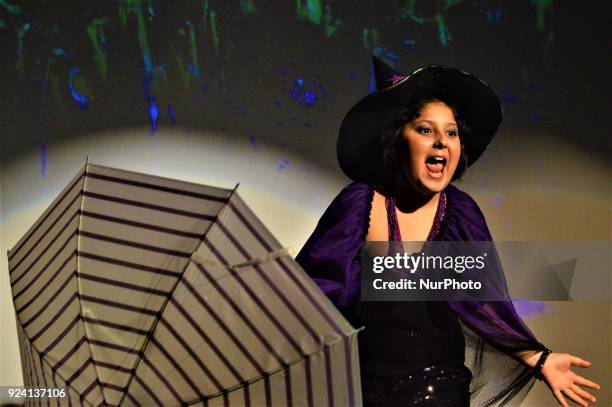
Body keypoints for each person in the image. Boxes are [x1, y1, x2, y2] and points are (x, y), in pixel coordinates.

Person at [295, 57, 600, 406]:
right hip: (369, 393)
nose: (441, 141)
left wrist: (539, 359)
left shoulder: (459, 214)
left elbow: (480, 301)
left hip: (442, 392)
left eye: (451, 132)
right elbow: (312, 293)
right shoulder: (360, 205)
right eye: (426, 130)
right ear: (396, 140)